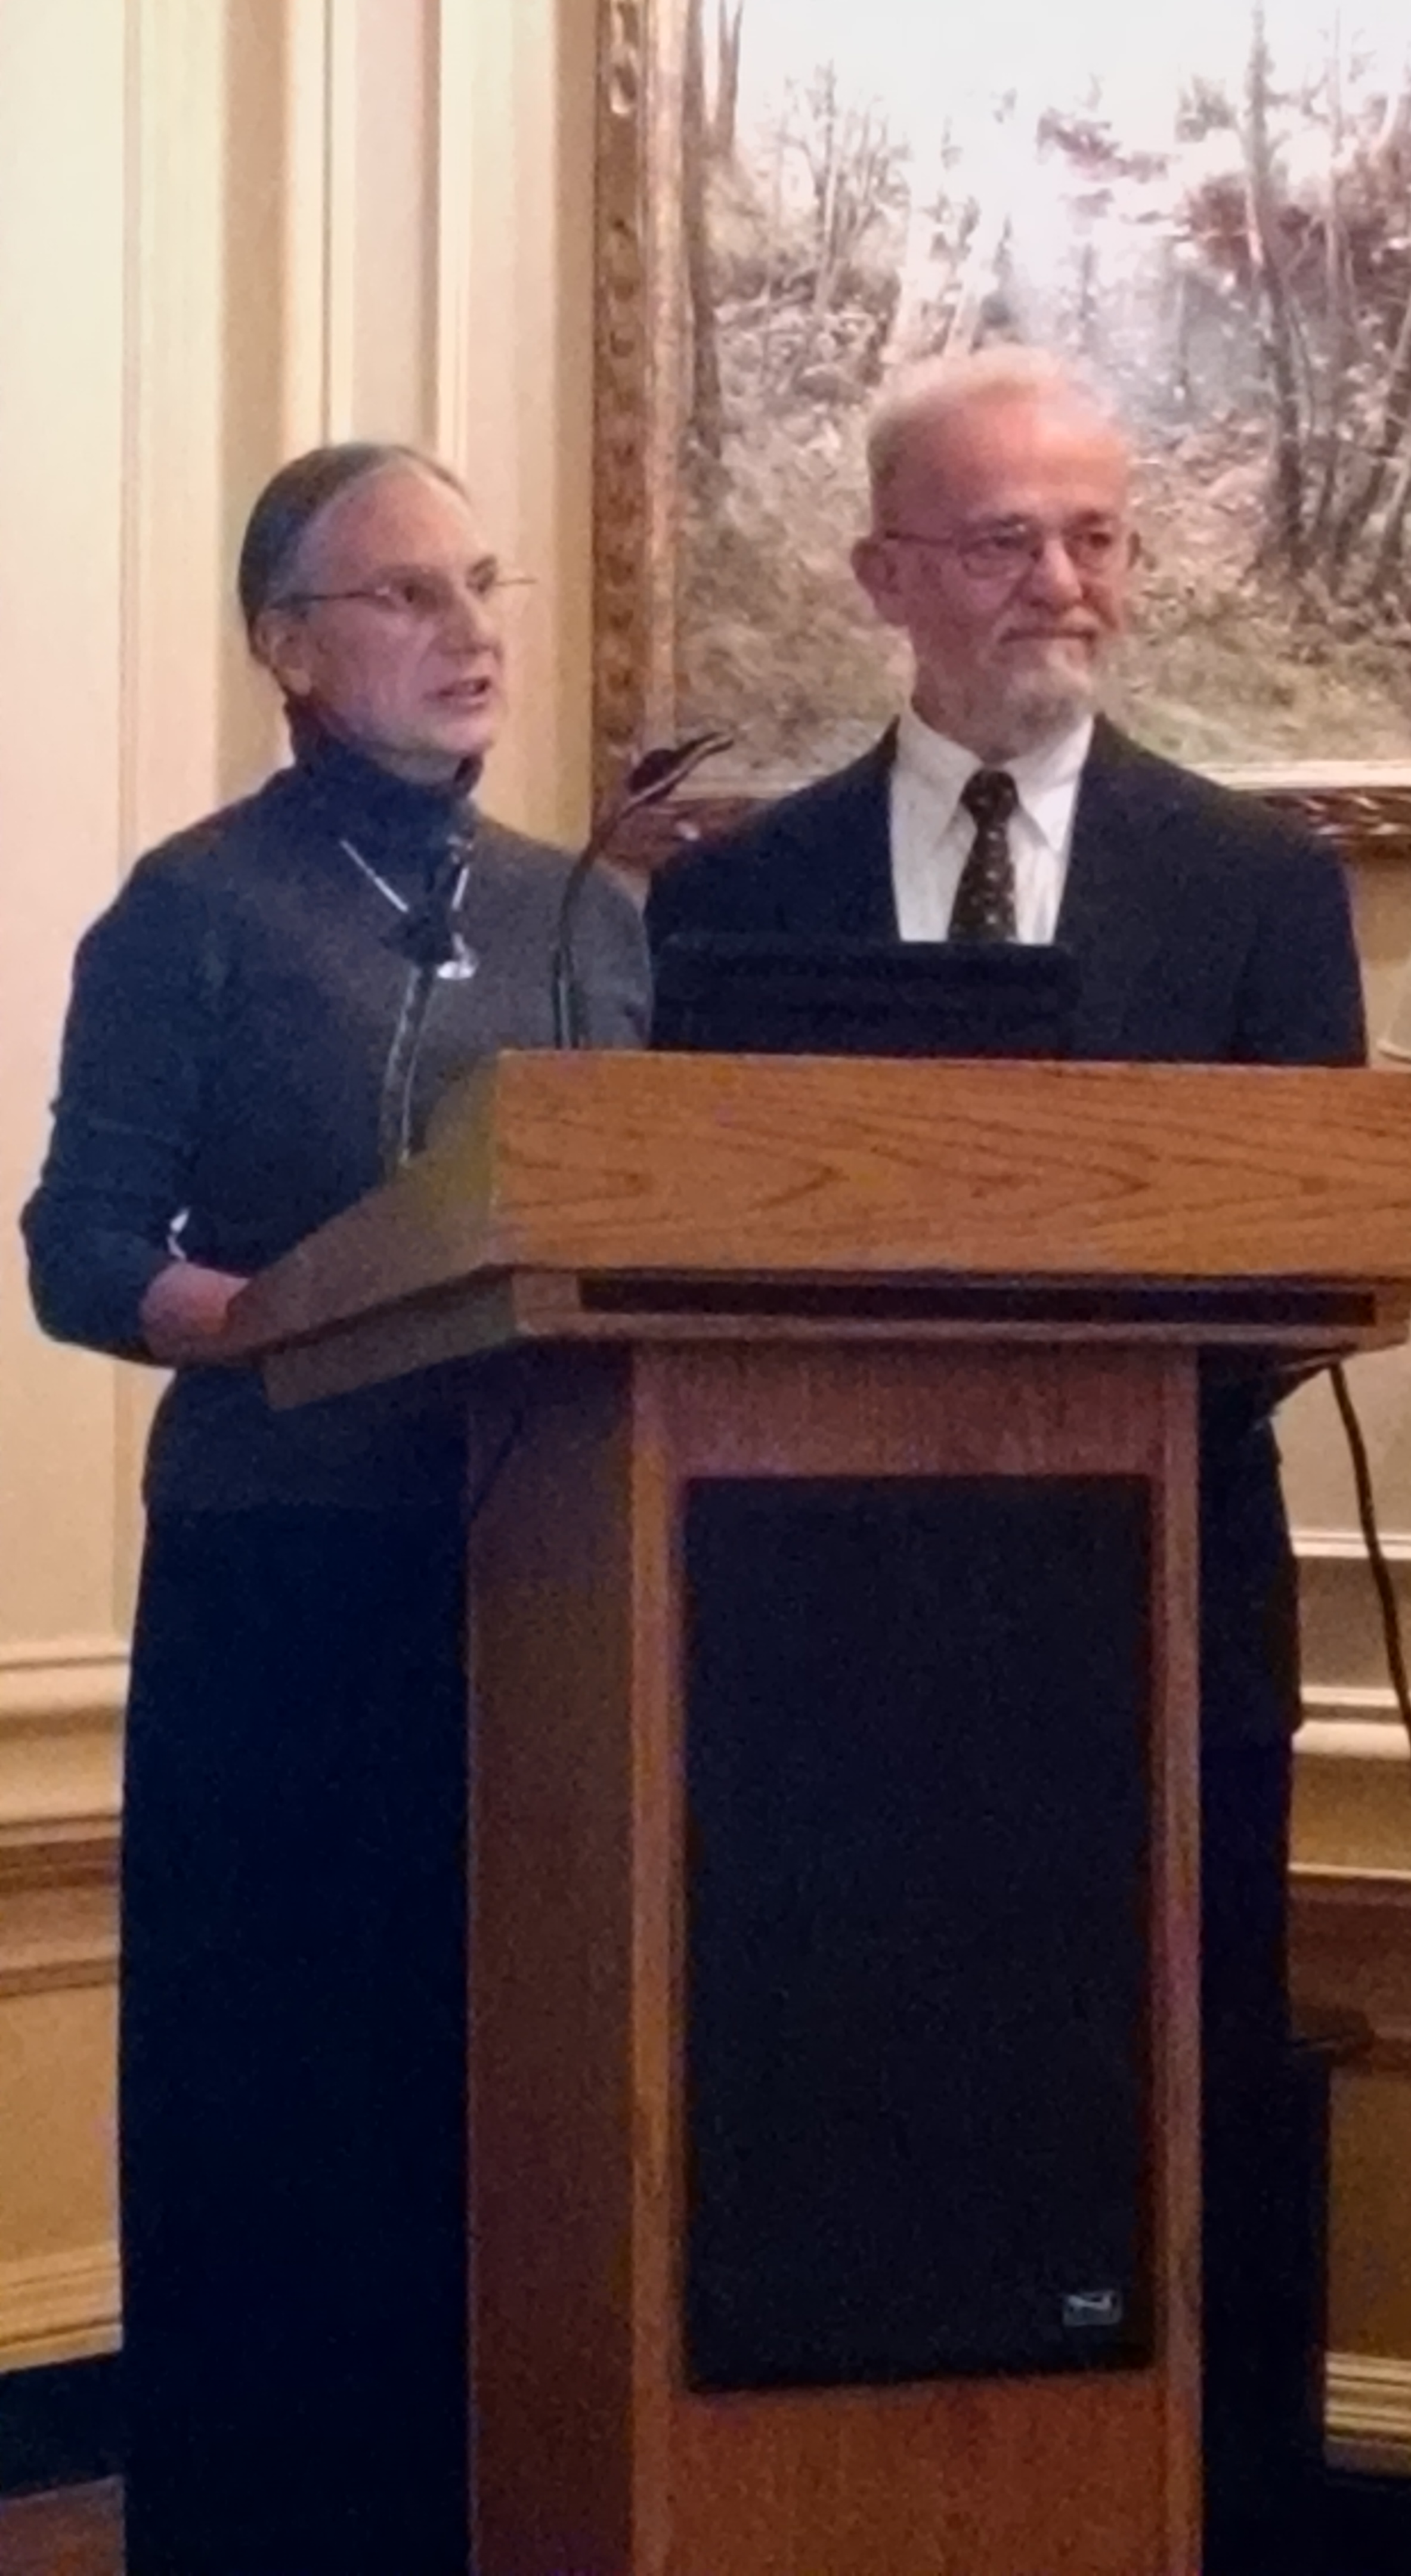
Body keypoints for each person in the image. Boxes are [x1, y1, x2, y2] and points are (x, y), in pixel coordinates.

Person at [647, 346, 1366, 2567]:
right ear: (886, 574)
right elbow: (688, 1246)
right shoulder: (731, 895)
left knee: (1152, 2068)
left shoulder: (1255, 882)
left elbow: (1309, 1254)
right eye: (1002, 539)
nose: (1062, 582)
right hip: (815, 1620)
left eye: (1096, 536)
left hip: (1155, 1598)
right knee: (851, 2086)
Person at [23, 441, 649, 2576]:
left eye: (484, 583)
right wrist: (295, 1314)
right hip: (288, 1605)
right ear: (288, 649)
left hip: (552, 1614)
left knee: (501, 2106)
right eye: (405, 595)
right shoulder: (197, 907)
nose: (472, 631)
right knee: (284, 2110)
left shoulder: (592, 915)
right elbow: (85, 1249)